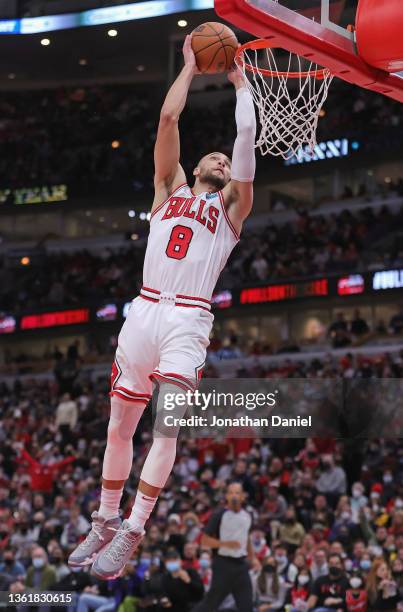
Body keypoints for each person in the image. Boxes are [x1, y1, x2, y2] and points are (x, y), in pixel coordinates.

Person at [68, 31, 256, 581]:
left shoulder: (231, 208)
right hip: (143, 312)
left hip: (188, 319)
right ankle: (104, 519)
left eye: (225, 159)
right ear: (196, 165)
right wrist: (191, 68)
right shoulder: (167, 189)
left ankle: (132, 529)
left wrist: (241, 85)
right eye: (214, 154)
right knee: (118, 429)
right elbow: (169, 120)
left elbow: (244, 140)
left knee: (166, 428)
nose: (221, 157)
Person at [192, 482, 256, 612]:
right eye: (231, 492)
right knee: (210, 604)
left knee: (247, 606)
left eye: (237, 493)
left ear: (243, 496)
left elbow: (246, 537)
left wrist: (253, 558)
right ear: (226, 496)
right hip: (223, 564)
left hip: (241, 565)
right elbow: (204, 541)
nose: (234, 495)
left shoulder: (248, 516)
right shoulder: (219, 515)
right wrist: (226, 544)